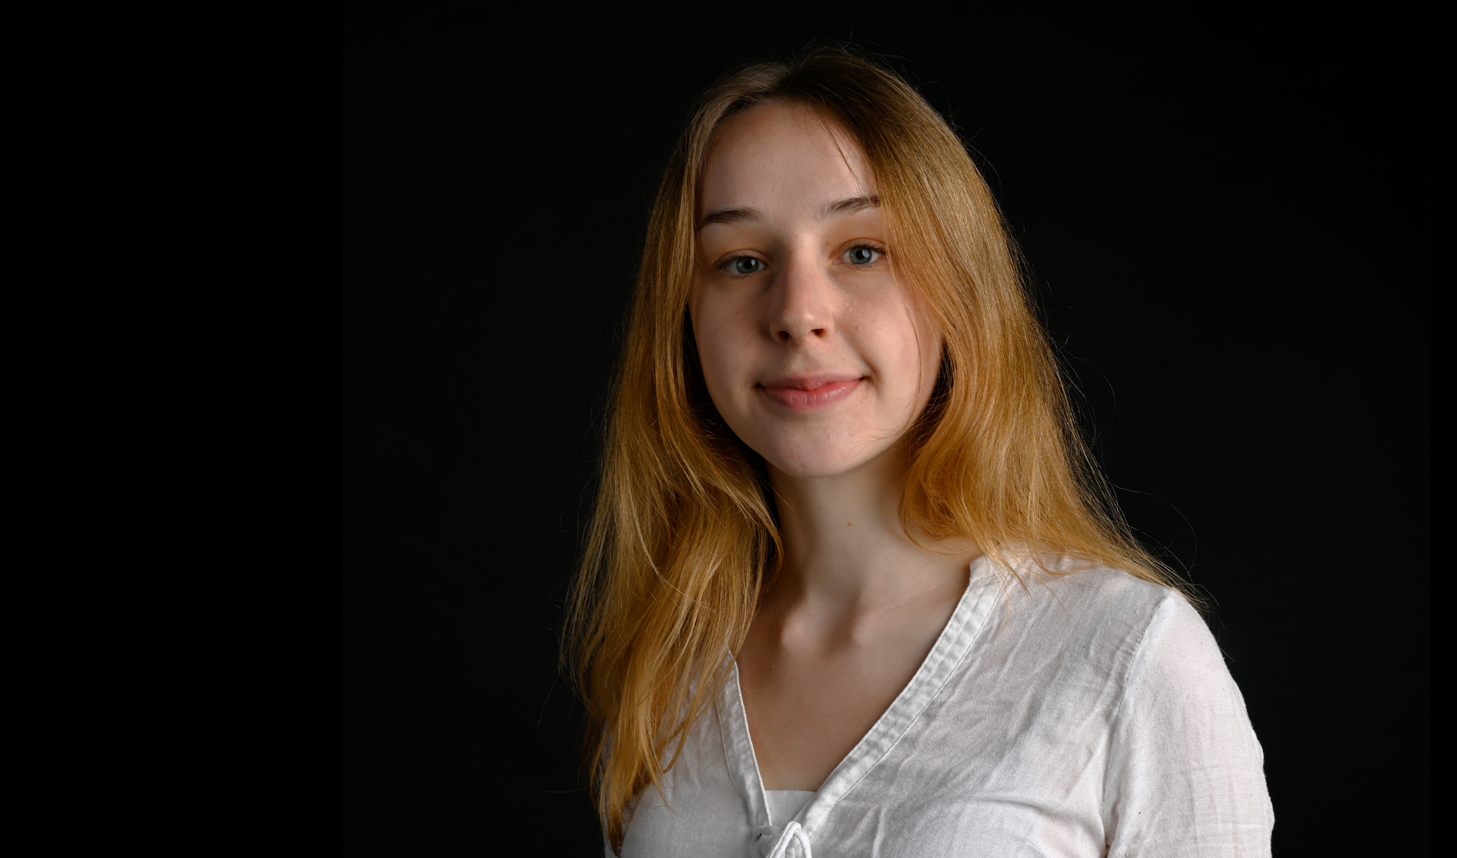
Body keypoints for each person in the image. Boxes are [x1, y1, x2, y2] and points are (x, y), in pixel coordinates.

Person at [564, 47, 1273, 857]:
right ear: (684, 317)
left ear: (959, 291)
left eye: (861, 251)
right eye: (742, 261)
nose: (796, 312)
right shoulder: (664, 673)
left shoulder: (1125, 653)